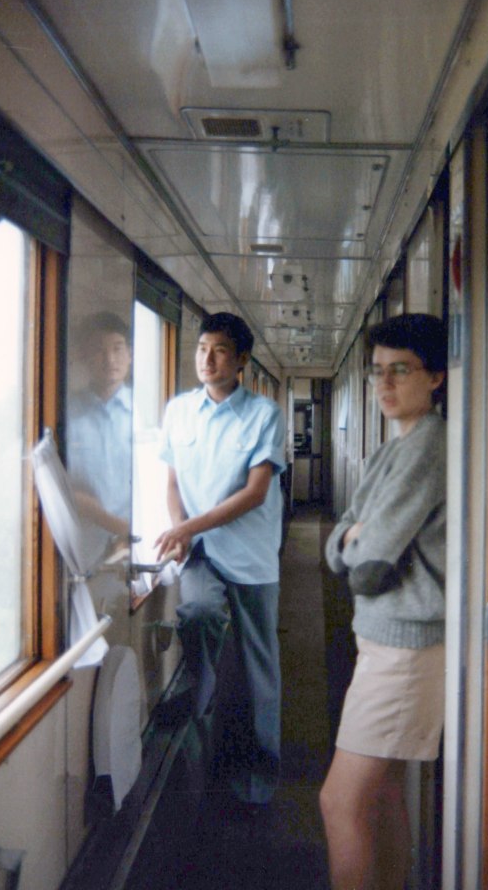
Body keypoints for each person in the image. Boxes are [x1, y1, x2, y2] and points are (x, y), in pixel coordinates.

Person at [319, 312, 447, 890]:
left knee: (339, 801)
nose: (385, 384)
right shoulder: (389, 452)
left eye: (401, 370)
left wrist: (353, 540)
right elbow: (339, 544)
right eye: (377, 372)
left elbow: (367, 568)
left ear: (436, 377)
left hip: (406, 650)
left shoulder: (428, 447)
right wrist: (350, 539)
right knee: (385, 790)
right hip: (384, 639)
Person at [155, 311, 286, 807]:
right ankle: (200, 706)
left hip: (251, 554)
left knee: (258, 667)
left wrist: (187, 527)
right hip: (203, 551)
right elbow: (172, 482)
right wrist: (180, 528)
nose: (207, 360)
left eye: (220, 351)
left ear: (242, 360)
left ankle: (258, 777)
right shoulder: (178, 411)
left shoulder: (264, 415)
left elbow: (255, 493)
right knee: (197, 612)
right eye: (201, 348)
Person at [66, 311, 133, 572]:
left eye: (117, 349)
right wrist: (113, 524)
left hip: (134, 550)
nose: (110, 359)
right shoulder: (65, 414)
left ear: (130, 354)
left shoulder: (147, 415)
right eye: (99, 350)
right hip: (78, 550)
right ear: (83, 356)